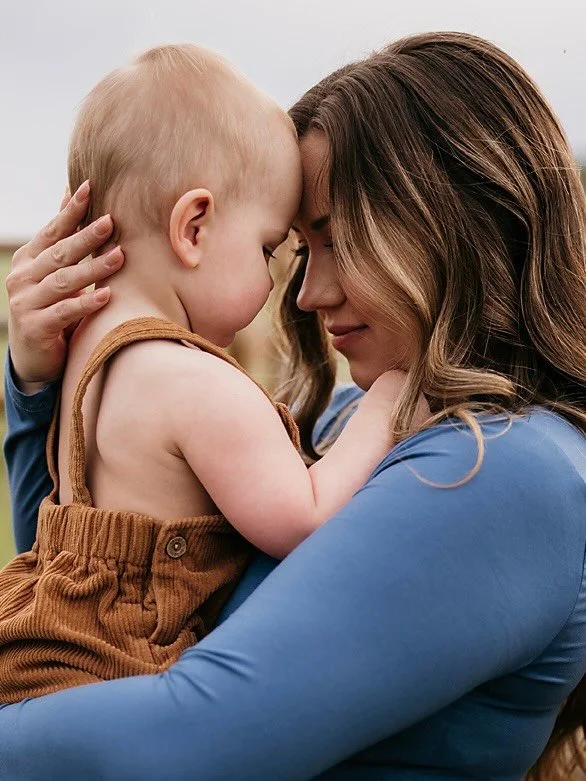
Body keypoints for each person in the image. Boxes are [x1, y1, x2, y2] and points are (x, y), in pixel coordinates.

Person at [0, 30, 585, 780]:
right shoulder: (352, 419)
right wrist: (34, 386)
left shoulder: (503, 467)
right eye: (299, 251)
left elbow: (187, 743)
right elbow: (88, 600)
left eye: (338, 239)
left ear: (449, 224)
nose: (307, 294)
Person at [0, 43, 414, 704]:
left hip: (41, 657)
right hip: (115, 679)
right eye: (268, 249)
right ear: (193, 227)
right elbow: (305, 519)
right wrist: (388, 401)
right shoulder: (191, 381)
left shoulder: (79, 357)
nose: (285, 288)